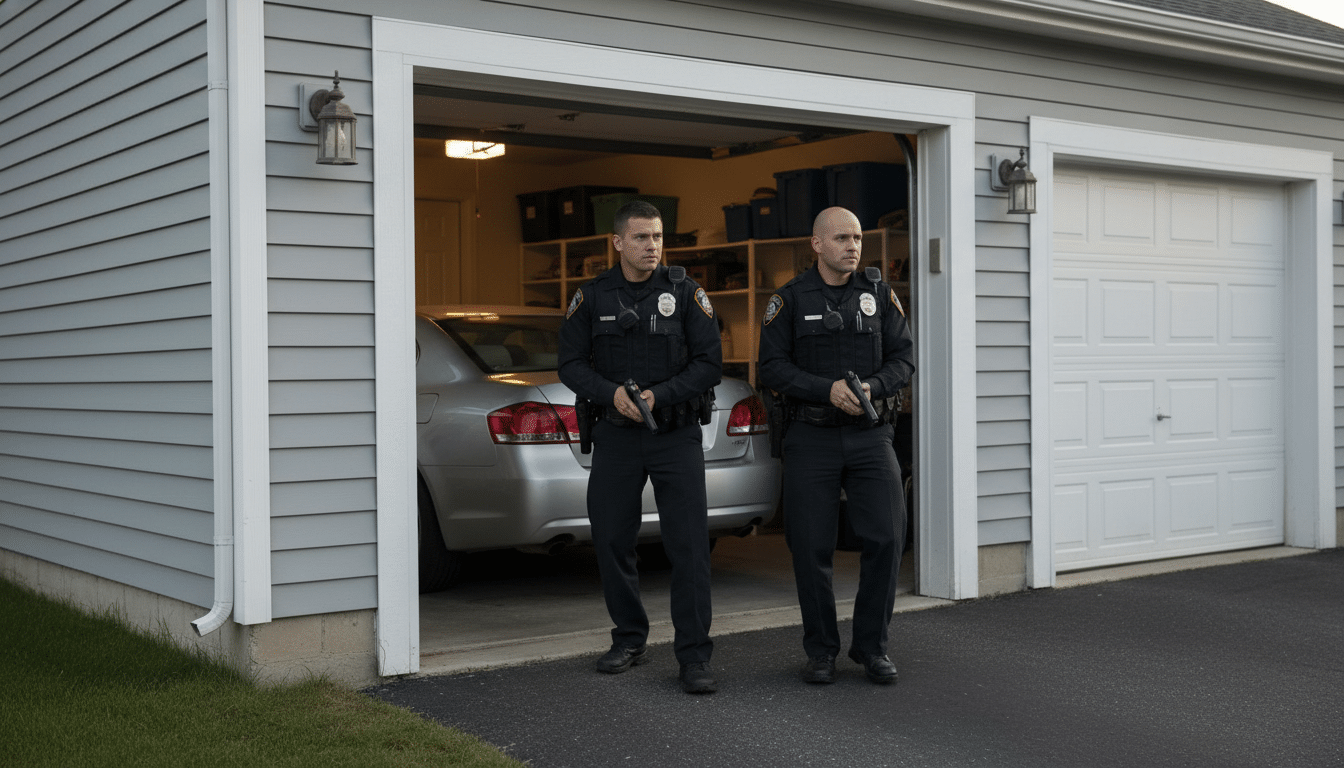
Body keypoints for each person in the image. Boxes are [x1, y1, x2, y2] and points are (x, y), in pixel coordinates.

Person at [558, 200, 723, 694]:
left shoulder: (686, 292)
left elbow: (709, 363)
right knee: (611, 540)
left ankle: (694, 656)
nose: (652, 246)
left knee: (689, 546)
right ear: (617, 242)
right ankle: (629, 638)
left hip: (675, 436)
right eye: (641, 238)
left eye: (657, 237)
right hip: (616, 436)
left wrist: (659, 394)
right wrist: (609, 394)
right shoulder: (591, 298)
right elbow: (569, 364)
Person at [757, 206, 915, 685]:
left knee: (887, 538)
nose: (853, 246)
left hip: (871, 437)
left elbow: (904, 359)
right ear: (817, 244)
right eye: (843, 238)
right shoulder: (788, 300)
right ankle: (821, 651)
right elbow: (772, 368)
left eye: (858, 238)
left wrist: (873, 385)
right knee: (810, 547)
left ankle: (872, 647)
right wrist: (825, 389)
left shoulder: (879, 295)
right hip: (812, 438)